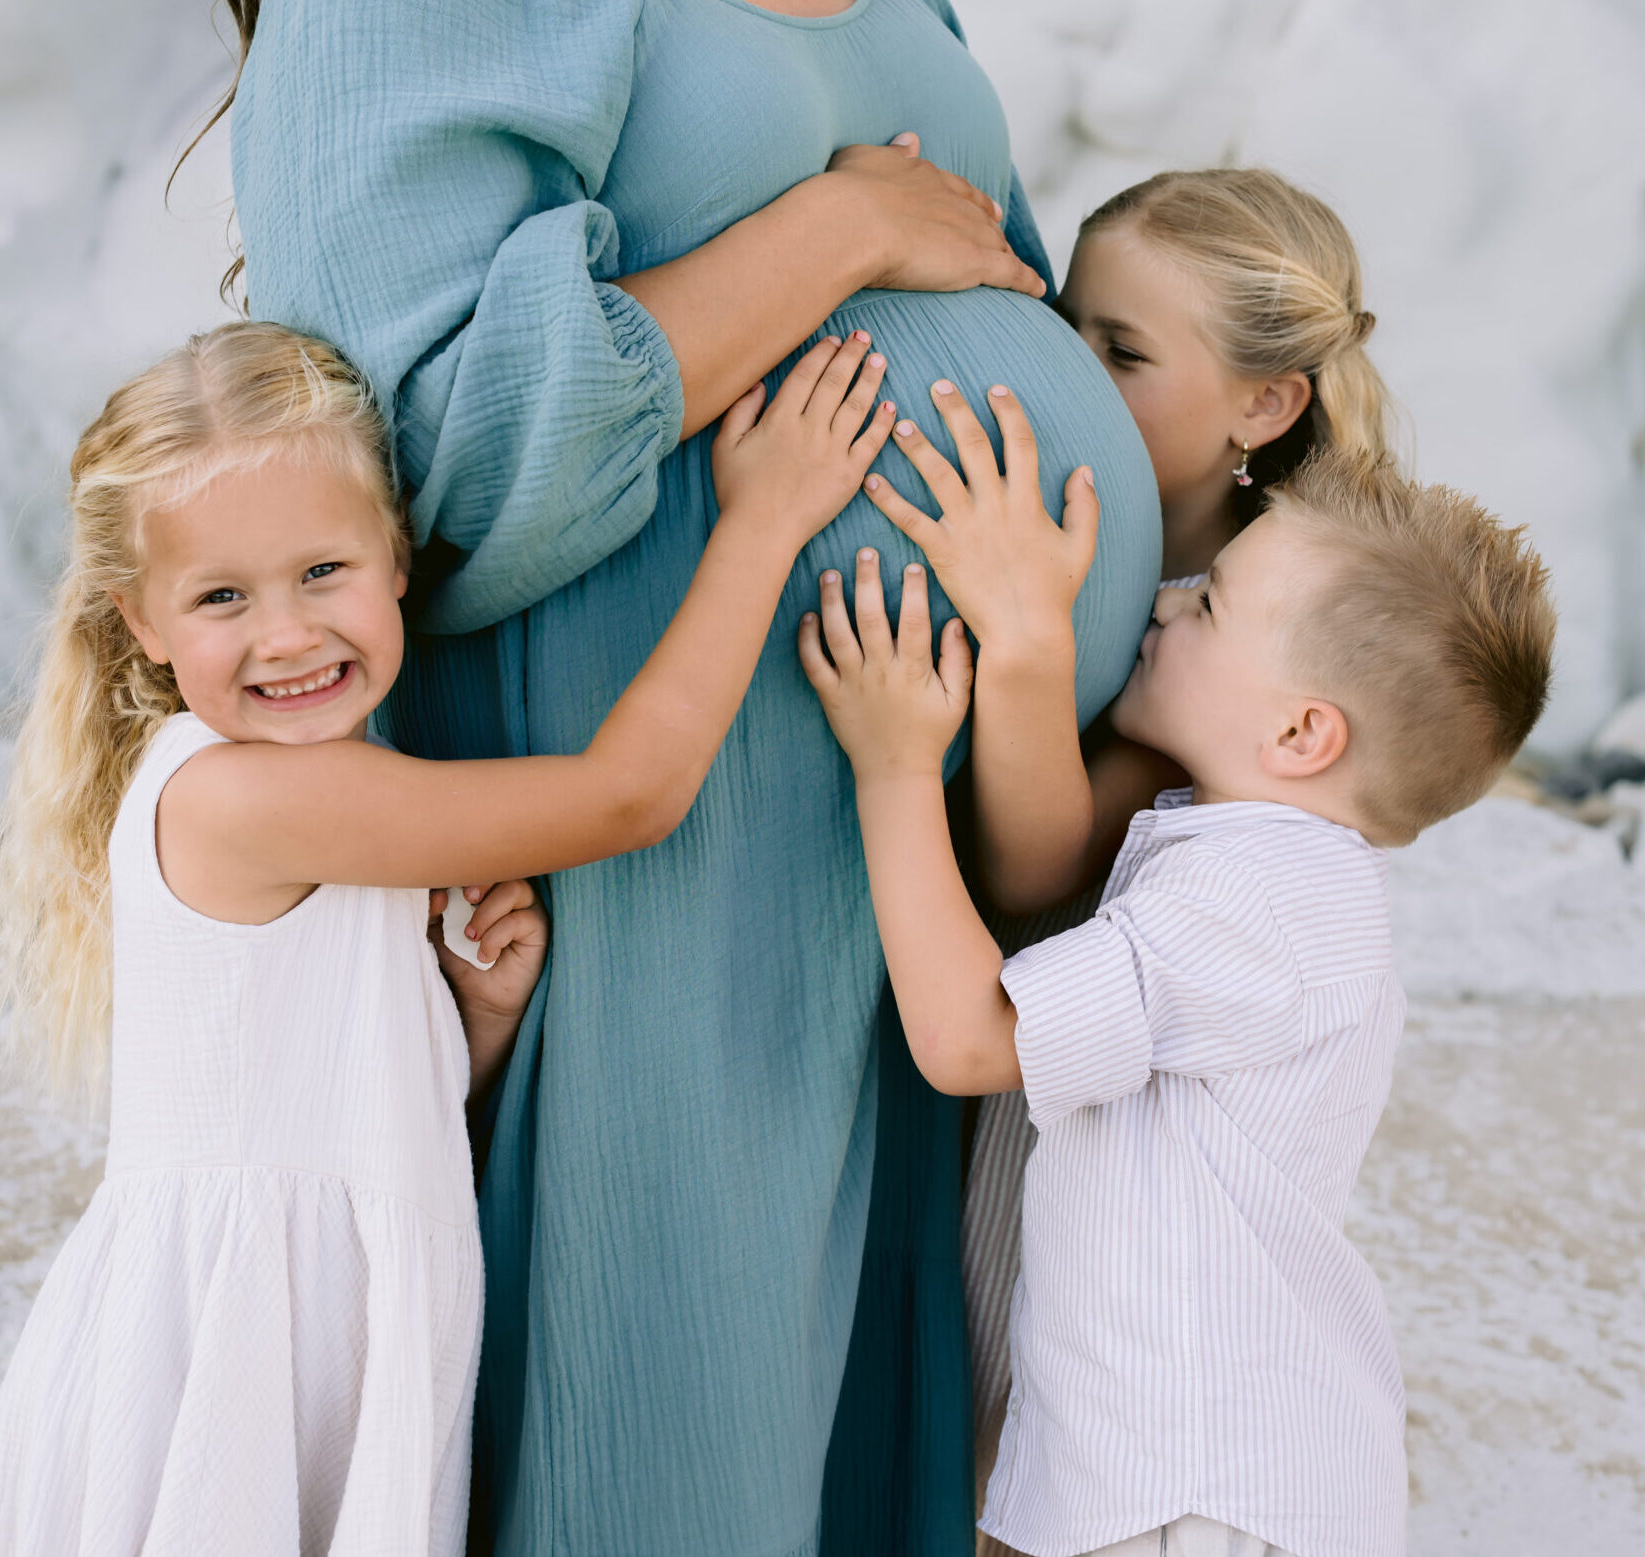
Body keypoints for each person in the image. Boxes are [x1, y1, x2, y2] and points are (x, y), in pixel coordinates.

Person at [226, 5, 1164, 1547]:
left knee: (868, 1364)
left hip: (915, 814)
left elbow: (998, 276)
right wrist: (839, 228)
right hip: (668, 825)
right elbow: (431, 457)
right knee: (677, 1373)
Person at [0, 321, 900, 1555]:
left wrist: (469, 1029)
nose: (285, 634)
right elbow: (628, 796)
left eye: (322, 572)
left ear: (394, 557)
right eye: (222, 597)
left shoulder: (321, 788)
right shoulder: (244, 794)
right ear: (141, 621)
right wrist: (762, 522)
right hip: (235, 1350)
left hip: (306, 1320)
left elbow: (330, 1109)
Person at [802, 397, 1554, 1555]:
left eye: (1206, 606)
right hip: (1187, 1470)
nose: (1163, 605)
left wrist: (893, 766)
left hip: (1195, 1486)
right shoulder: (1262, 868)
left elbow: (965, 1039)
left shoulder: (1252, 899)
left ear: (1301, 735)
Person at [953, 169, 1402, 1521]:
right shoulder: (1129, 555)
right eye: (1065, 327)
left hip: (1080, 1080)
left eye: (1124, 353)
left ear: (1264, 407)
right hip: (1045, 1043)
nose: (1072, 373)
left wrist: (1026, 643)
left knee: (1041, 1425)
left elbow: (1038, 868)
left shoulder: (1223, 654)